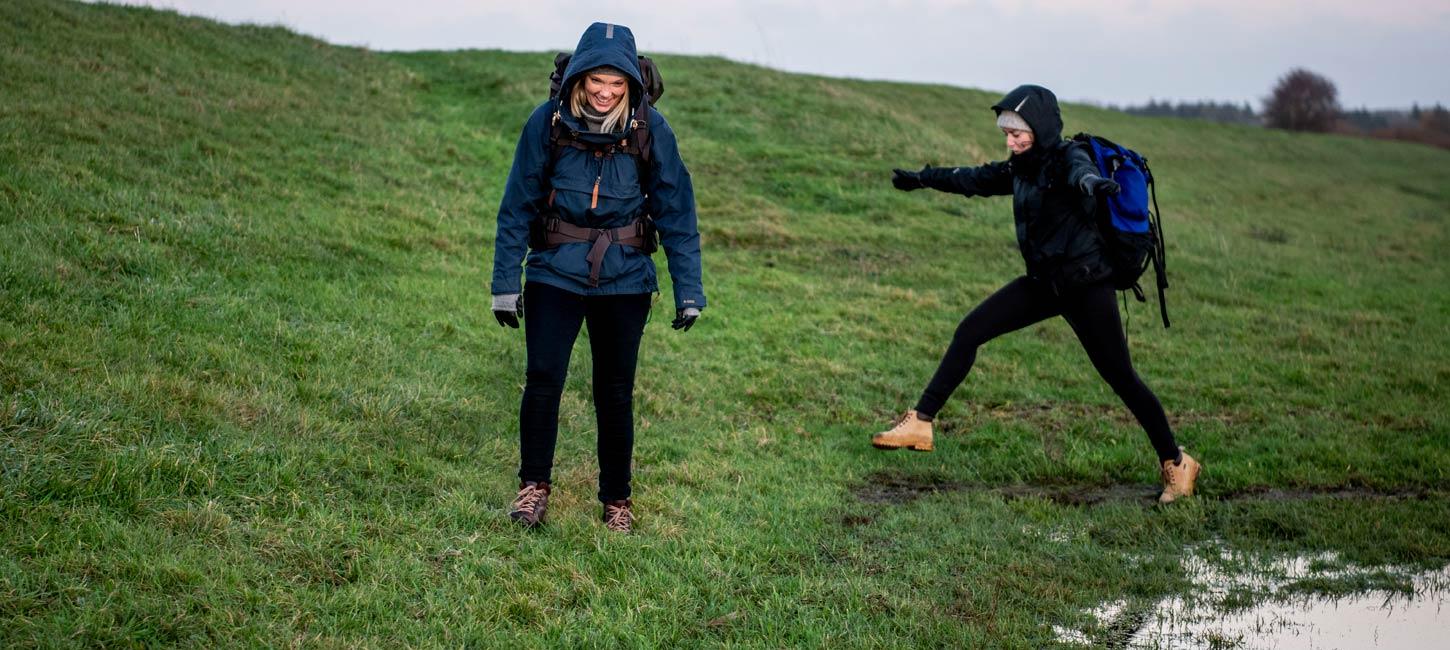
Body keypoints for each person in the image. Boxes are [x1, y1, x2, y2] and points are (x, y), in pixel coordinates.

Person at [873, 84, 1200, 503]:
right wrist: (923, 178)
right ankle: (921, 421)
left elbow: (1079, 174)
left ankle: (1177, 463)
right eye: (1007, 134)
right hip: (1045, 285)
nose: (1011, 141)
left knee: (1121, 378)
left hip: (1085, 286)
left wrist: (1094, 185)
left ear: (1041, 128)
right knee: (970, 330)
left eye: (1018, 133)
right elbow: (973, 179)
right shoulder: (1020, 169)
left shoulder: (1067, 157)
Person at [491, 22, 705, 532]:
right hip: (553, 273)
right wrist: (504, 282)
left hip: (626, 279)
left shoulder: (652, 130)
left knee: (614, 390)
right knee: (543, 381)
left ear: (632, 82)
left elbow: (678, 212)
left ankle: (617, 502)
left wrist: (689, 290)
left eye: (616, 83)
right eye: (595, 82)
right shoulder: (546, 123)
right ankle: (533, 488)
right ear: (578, 80)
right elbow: (517, 203)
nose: (605, 93)